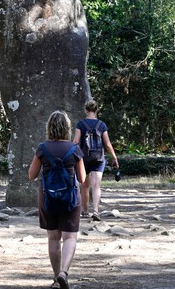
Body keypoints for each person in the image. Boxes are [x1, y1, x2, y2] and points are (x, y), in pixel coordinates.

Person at [28, 111, 86, 289]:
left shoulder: (42, 148)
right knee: (70, 238)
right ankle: (64, 273)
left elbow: (32, 175)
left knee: (53, 238)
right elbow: (82, 178)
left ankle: (55, 279)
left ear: (49, 127)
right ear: (67, 128)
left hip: (48, 199)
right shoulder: (75, 149)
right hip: (71, 199)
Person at [73, 100, 119, 221]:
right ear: (96, 110)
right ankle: (96, 211)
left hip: (84, 158)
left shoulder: (80, 124)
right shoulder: (102, 125)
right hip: (98, 158)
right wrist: (114, 157)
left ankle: (85, 211)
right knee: (96, 186)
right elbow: (107, 144)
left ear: (86, 111)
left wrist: (71, 155)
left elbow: (76, 141)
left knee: (85, 186)